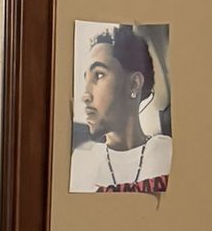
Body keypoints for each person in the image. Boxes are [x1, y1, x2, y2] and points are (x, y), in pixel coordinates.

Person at [71, 25, 172, 193]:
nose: (85, 96)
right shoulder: (81, 162)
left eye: (99, 75)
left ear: (134, 84)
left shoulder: (166, 152)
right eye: (86, 78)